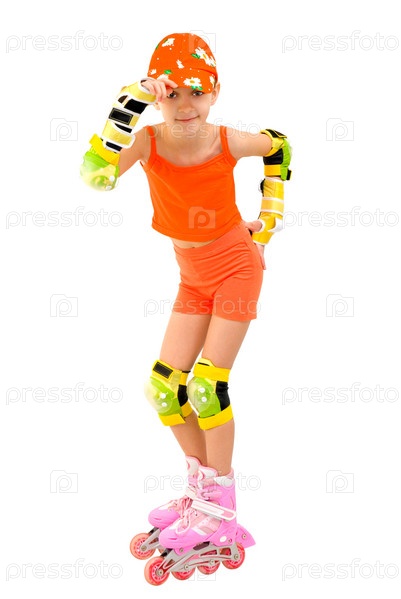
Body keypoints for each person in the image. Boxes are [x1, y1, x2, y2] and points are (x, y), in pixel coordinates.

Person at [81, 32, 291, 555]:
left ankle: (223, 512)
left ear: (215, 92)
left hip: (237, 269)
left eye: (196, 92)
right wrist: (128, 102)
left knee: (206, 387)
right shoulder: (147, 142)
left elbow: (279, 144)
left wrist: (266, 226)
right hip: (193, 278)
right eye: (170, 93)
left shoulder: (227, 140)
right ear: (156, 97)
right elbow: (96, 177)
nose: (185, 105)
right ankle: (203, 492)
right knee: (162, 389)